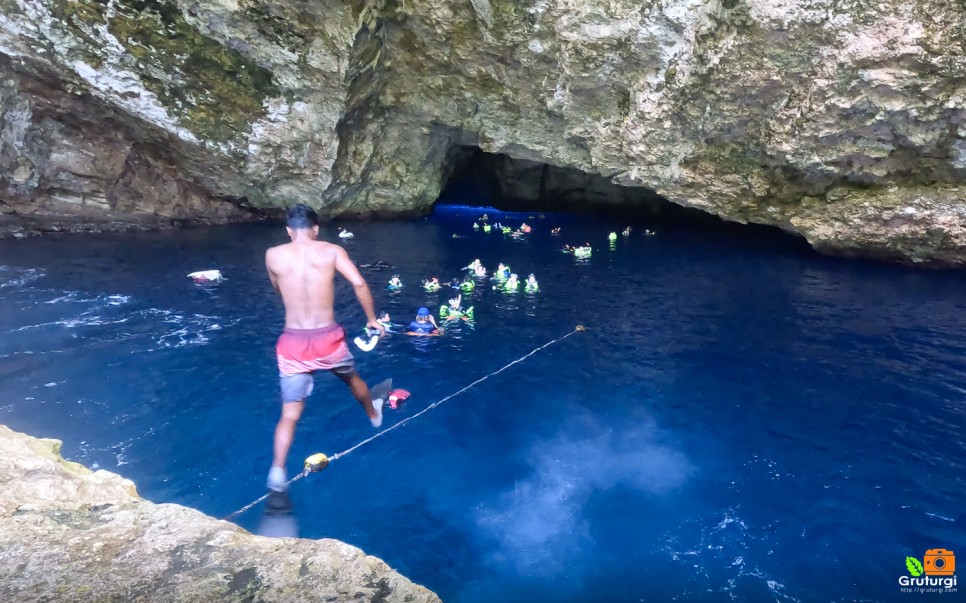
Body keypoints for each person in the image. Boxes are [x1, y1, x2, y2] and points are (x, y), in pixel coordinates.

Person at [264, 204, 387, 492]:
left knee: (289, 414)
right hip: (326, 339)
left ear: (288, 230)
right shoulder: (332, 251)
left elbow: (278, 288)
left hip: (292, 342)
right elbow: (358, 282)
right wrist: (371, 319)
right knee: (351, 378)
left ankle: (278, 470)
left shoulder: (273, 255)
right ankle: (373, 415)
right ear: (316, 228)